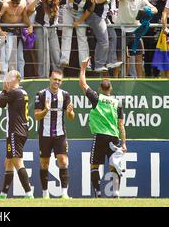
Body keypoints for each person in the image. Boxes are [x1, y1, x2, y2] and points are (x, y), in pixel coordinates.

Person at [79, 56, 127, 198]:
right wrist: (123, 143)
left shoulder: (97, 98)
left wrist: (83, 69)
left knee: (94, 165)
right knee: (114, 165)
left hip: (100, 136)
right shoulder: (117, 103)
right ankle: (116, 193)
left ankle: (98, 194)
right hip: (114, 137)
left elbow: (83, 84)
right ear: (110, 88)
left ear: (100, 88)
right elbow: (121, 125)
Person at [34, 70, 74, 199]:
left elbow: (71, 117)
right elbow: (36, 116)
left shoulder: (66, 95)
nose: (57, 82)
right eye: (55, 79)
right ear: (50, 79)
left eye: (59, 80)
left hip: (60, 134)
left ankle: (64, 193)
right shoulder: (40, 94)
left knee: (63, 161)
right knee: (45, 163)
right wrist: (46, 110)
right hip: (45, 134)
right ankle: (45, 193)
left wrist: (70, 112)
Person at [0, 70, 34, 199]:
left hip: (15, 132)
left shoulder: (15, 92)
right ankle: (3, 194)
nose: (6, 81)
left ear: (16, 79)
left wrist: (4, 90)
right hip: (20, 130)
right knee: (8, 162)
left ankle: (29, 193)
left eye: (8, 78)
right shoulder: (22, 92)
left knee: (17, 161)